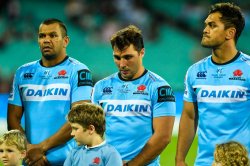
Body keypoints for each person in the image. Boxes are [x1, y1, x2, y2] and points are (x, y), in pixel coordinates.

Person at [7, 18, 93, 165]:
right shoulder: (22, 72)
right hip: (32, 159)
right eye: (42, 36)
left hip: (68, 161)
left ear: (65, 41)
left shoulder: (79, 71)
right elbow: (13, 118)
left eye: (53, 35)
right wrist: (28, 151)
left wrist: (41, 148)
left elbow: (80, 118)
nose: (46, 40)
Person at [176, 2, 250, 166]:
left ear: (230, 33)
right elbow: (189, 116)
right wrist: (180, 159)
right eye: (205, 25)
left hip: (241, 162)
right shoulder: (194, 71)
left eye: (212, 25)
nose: (205, 30)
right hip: (205, 162)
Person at [92, 25, 176, 166]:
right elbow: (93, 132)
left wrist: (132, 165)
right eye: (117, 58)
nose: (122, 64)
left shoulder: (159, 88)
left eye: (128, 57)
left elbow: (163, 137)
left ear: (142, 52)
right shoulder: (101, 87)